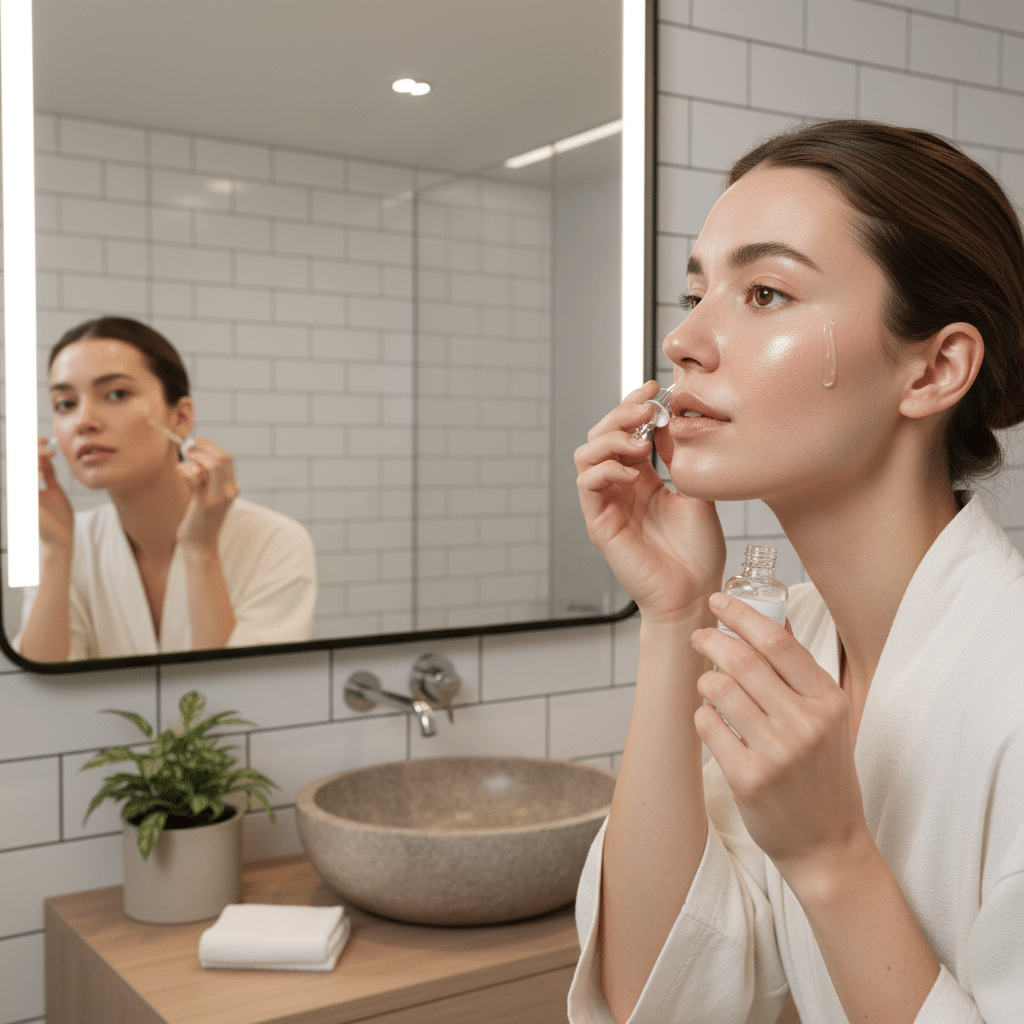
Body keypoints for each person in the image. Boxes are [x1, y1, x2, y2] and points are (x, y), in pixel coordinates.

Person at [570, 120, 1024, 1024]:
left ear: (936, 369)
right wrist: (672, 617)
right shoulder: (793, 640)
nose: (684, 340)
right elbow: (660, 1001)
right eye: (697, 291)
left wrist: (832, 857)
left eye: (766, 292)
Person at [17, 317, 316, 661]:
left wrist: (201, 550)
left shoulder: (274, 541)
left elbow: (235, 701)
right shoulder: (67, 542)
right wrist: (57, 551)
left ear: (180, 417)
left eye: (116, 394)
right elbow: (39, 697)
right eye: (65, 404)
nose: (84, 421)